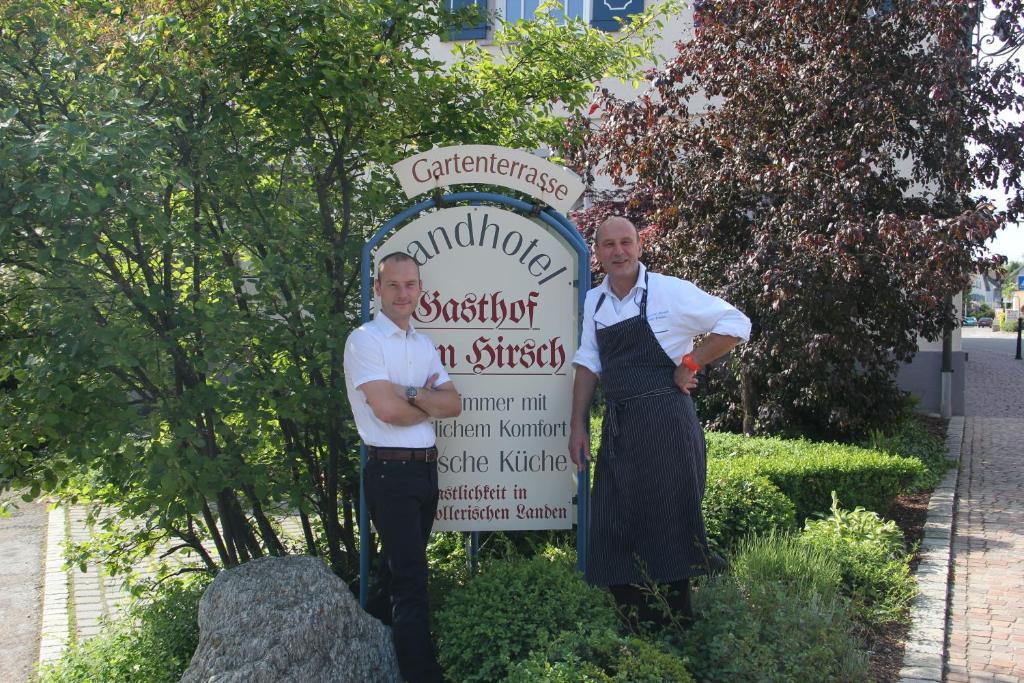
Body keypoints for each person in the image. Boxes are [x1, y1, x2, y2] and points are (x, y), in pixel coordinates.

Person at [568, 216, 750, 630]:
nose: (619, 251)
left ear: (639, 246)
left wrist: (692, 362)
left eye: (626, 242)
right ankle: (635, 627)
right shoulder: (594, 302)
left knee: (668, 521)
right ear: (596, 253)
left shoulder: (670, 291)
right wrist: (577, 425)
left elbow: (737, 324)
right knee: (612, 522)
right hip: (620, 426)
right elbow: (588, 362)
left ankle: (676, 630)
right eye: (609, 245)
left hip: (667, 422)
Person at [344, 252, 461, 683]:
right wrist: (425, 404)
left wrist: (409, 393)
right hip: (390, 474)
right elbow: (387, 412)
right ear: (377, 289)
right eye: (392, 285)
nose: (402, 293)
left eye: (410, 285)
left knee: (394, 569)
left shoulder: (423, 344)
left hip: (425, 472)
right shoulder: (364, 340)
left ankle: (365, 654)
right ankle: (421, 674)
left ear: (420, 289)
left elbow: (455, 403)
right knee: (411, 579)